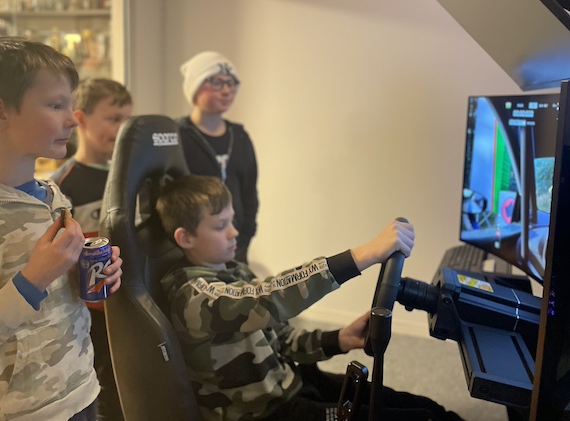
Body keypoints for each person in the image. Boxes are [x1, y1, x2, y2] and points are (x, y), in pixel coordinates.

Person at [0, 36, 123, 421]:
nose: (71, 119)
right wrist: (33, 279)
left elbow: (62, 300)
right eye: (56, 105)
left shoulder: (54, 197)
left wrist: (93, 274)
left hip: (80, 392)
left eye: (71, 105)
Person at [156, 175, 462, 421]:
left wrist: (337, 339)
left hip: (294, 384)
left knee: (427, 408)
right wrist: (362, 256)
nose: (234, 232)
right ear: (186, 237)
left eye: (232, 221)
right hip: (264, 413)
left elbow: (282, 339)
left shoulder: (234, 270)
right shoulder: (192, 296)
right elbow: (266, 298)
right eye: (221, 226)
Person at [53, 77, 133, 421]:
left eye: (127, 119)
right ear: (81, 119)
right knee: (99, 390)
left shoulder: (131, 174)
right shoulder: (62, 184)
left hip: (130, 302)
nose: (122, 128)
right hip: (90, 313)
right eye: (114, 119)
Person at [177, 51, 258, 263]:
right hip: (191, 253)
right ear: (195, 87)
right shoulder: (176, 136)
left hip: (235, 248)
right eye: (216, 83)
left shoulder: (239, 136)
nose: (226, 91)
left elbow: (250, 194)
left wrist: (243, 241)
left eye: (231, 83)